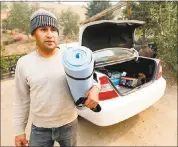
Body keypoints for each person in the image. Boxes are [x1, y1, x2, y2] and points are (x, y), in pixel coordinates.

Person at [13, 9, 100, 147]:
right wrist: (19, 130)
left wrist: (95, 88)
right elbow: (21, 99)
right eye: (43, 29)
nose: (49, 35)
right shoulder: (24, 63)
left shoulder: (70, 57)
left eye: (53, 29)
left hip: (69, 124)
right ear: (34, 33)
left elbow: (91, 76)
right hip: (39, 128)